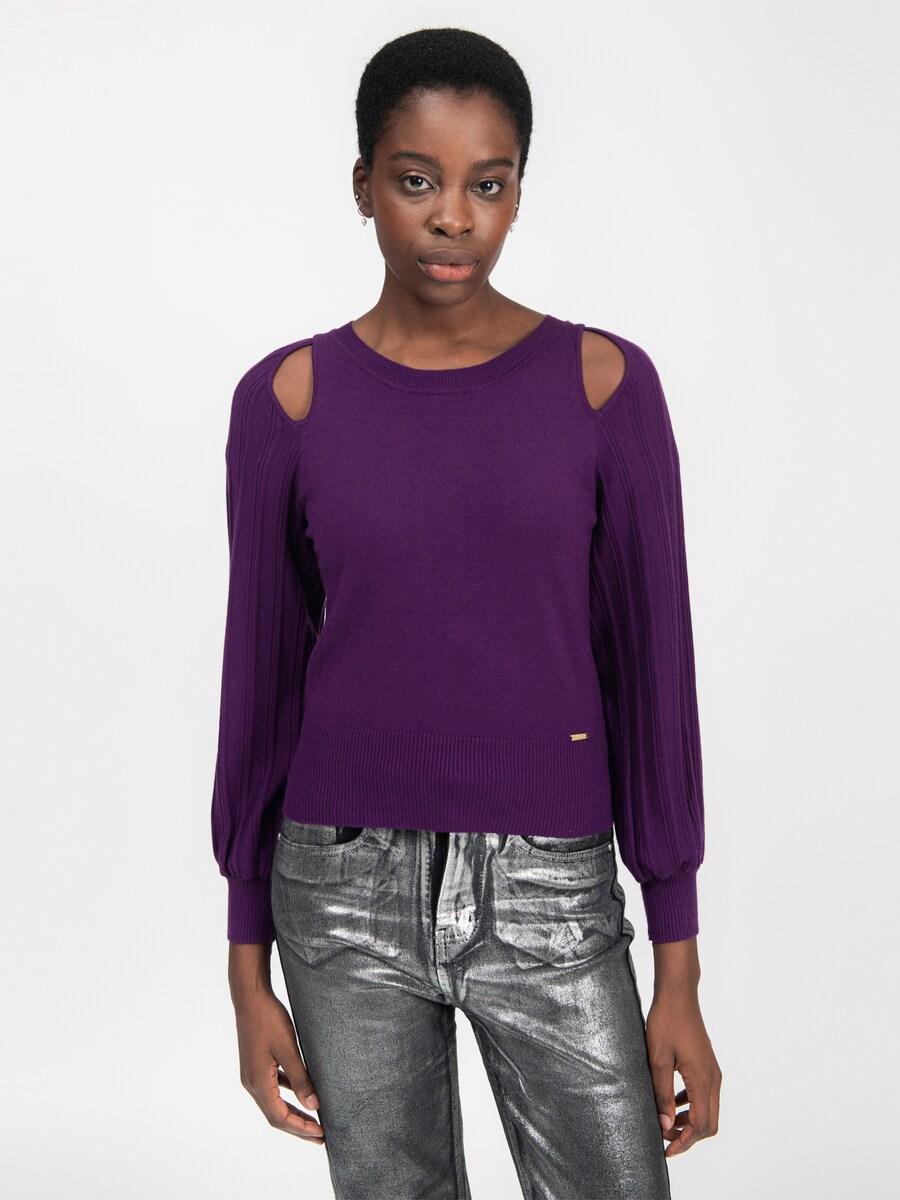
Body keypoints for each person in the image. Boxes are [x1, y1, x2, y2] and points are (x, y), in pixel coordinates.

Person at [210, 25, 721, 1200]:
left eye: (487, 185)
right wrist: (246, 973)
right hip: (337, 895)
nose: (452, 217)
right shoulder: (288, 399)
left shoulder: (604, 384)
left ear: (518, 194)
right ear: (363, 186)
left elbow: (654, 677)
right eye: (416, 181)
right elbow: (261, 685)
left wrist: (679, 970)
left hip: (553, 892)